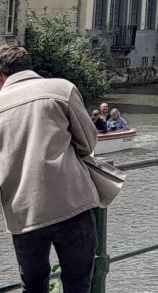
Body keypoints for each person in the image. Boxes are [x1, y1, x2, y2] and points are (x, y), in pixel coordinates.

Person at [0, 46, 103, 293]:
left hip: (24, 210)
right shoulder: (61, 89)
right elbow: (88, 143)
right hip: (72, 202)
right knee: (78, 283)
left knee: (33, 286)